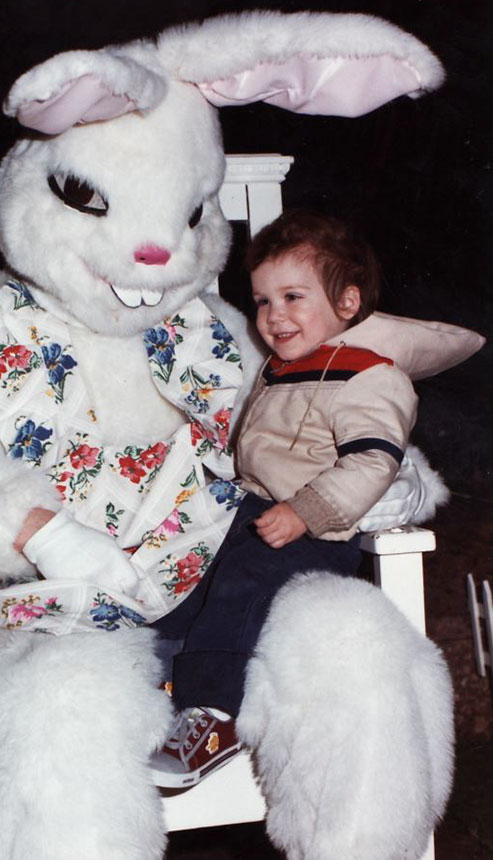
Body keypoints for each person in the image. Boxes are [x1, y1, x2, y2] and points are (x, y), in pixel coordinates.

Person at [151, 210, 418, 788]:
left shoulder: (369, 375)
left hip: (316, 533)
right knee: (188, 572)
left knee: (247, 578)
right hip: (257, 512)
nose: (274, 316)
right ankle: (164, 682)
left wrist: (308, 512)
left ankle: (216, 715)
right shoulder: (283, 370)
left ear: (347, 302)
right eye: (263, 301)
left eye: (293, 296)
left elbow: (374, 459)